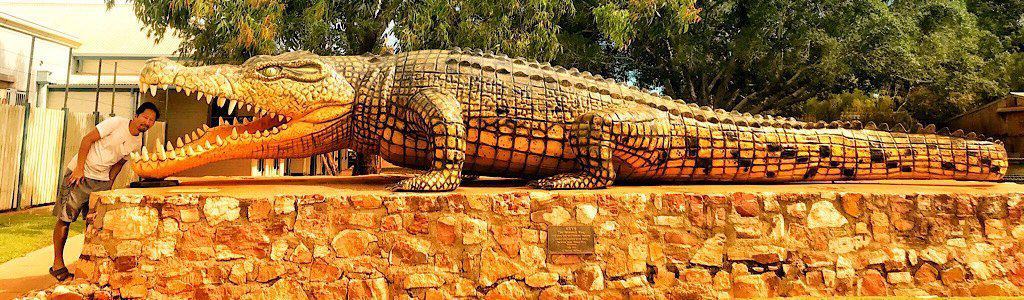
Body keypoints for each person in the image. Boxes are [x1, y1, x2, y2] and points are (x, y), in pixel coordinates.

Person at [49, 102, 159, 281]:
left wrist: (109, 185)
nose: (147, 122)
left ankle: (85, 265)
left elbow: (119, 164)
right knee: (65, 219)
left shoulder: (137, 142)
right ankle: (57, 263)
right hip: (80, 176)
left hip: (101, 182)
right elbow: (87, 139)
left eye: (151, 120)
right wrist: (79, 169)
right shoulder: (116, 123)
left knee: (94, 225)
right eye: (145, 117)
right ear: (136, 115)